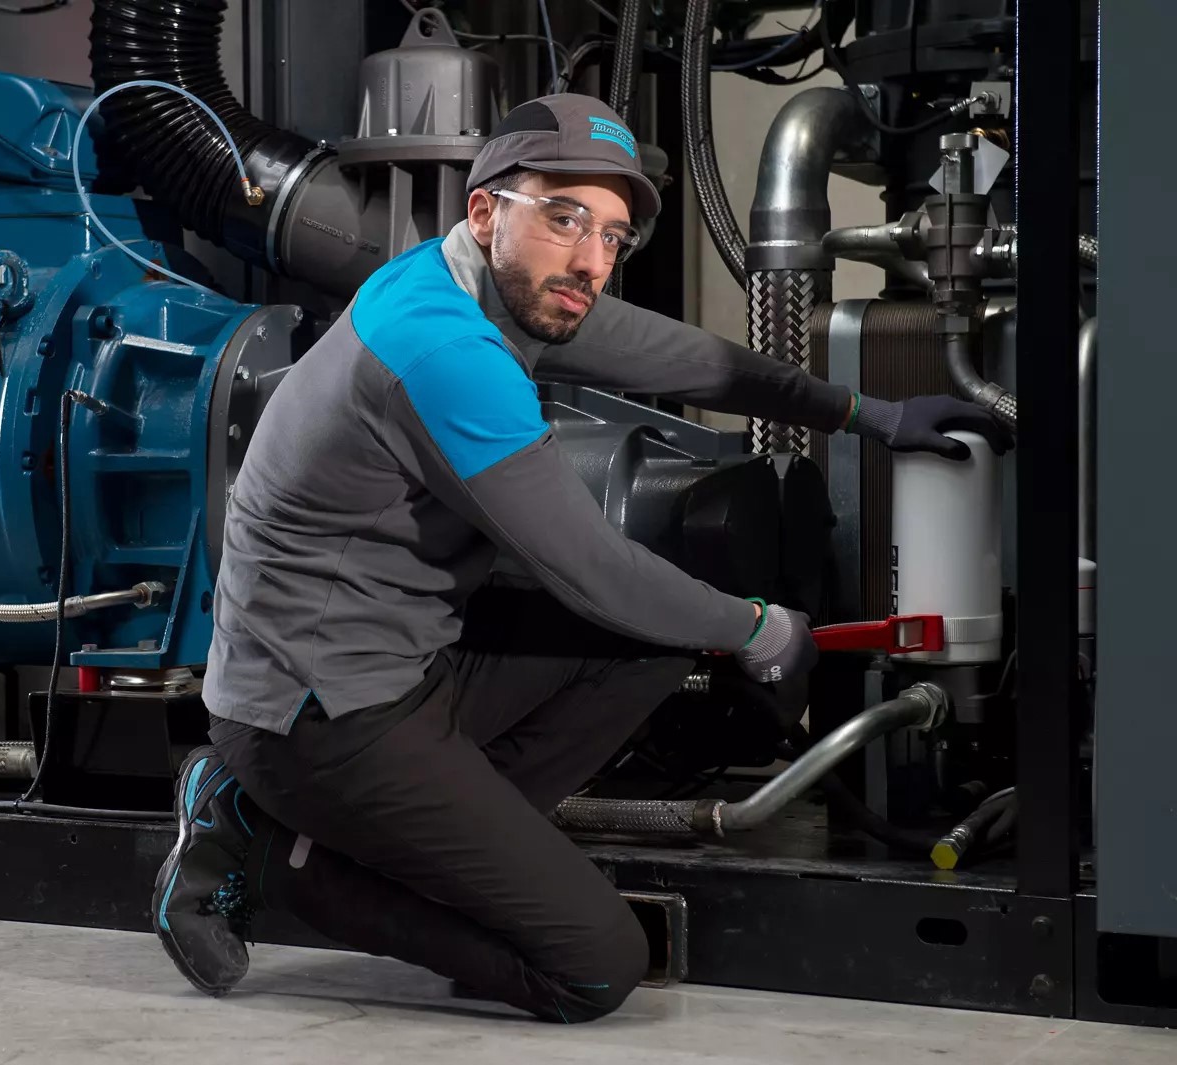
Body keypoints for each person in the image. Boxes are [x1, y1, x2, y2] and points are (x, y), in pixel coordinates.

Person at [151, 94, 1011, 1023]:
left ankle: (324, 826)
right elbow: (588, 567)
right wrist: (760, 626)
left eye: (612, 236)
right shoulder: (442, 347)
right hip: (317, 716)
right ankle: (293, 860)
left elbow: (687, 359)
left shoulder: (489, 283)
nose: (592, 260)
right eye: (565, 218)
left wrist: (867, 414)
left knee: (651, 641)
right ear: (485, 213)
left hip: (400, 667)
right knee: (597, 964)